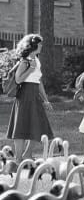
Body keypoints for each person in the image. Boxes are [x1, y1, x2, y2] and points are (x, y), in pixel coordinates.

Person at [7, 34, 54, 163]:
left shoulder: (37, 61)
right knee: (21, 127)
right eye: (40, 44)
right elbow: (18, 79)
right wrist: (30, 69)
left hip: (34, 96)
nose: (41, 46)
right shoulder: (25, 61)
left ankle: (27, 154)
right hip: (24, 96)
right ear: (34, 45)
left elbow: (39, 82)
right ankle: (18, 159)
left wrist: (46, 100)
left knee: (38, 125)